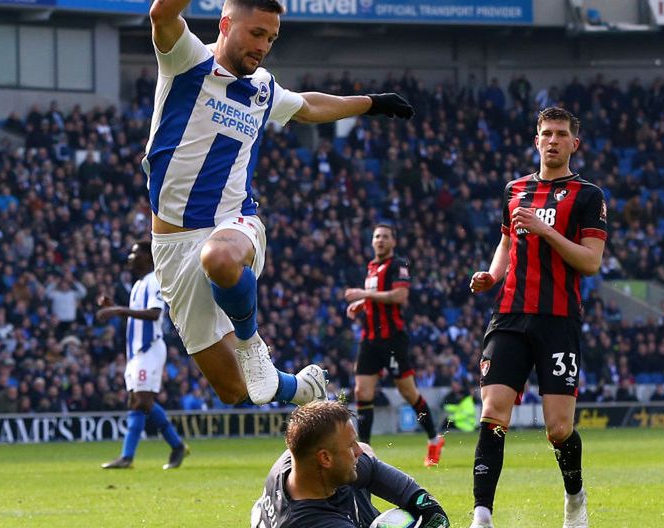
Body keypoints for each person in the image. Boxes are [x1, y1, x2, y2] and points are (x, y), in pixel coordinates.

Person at [145, 0, 414, 407]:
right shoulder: (186, 61)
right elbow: (162, 14)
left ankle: (253, 345)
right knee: (234, 390)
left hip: (233, 222)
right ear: (226, 25)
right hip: (171, 245)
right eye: (256, 33)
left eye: (271, 38)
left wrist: (371, 102)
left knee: (220, 258)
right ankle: (301, 387)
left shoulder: (264, 87)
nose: (264, 45)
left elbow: (308, 106)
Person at [468, 107, 607, 528]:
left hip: (558, 320)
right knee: (493, 413)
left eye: (561, 134)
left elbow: (591, 262)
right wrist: (492, 274)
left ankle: (575, 496)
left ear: (573, 144)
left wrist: (545, 230)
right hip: (509, 314)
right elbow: (508, 242)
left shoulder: (588, 196)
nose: (552, 140)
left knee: (559, 429)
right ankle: (482, 516)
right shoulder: (514, 190)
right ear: (536, 140)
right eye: (546, 133)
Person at [251, 400, 450, 528]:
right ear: (325, 458)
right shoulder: (313, 522)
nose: (358, 450)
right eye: (350, 445)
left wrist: (426, 505)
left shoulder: (296, 459)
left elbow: (369, 464)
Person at [344, 222, 444, 465]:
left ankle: (433, 439)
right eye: (377, 236)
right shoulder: (371, 267)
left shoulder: (398, 265)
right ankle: (364, 452)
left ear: (393, 242)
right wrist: (362, 305)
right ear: (372, 241)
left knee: (408, 392)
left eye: (385, 237)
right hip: (369, 339)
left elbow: (400, 296)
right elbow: (378, 297)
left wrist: (364, 295)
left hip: (392, 339)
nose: (380, 240)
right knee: (362, 392)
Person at [98, 241, 188, 470]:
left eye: (135, 253)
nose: (130, 257)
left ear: (149, 258)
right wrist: (115, 307)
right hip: (136, 352)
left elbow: (154, 313)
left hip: (149, 349)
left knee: (141, 401)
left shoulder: (154, 281)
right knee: (138, 403)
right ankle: (176, 446)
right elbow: (135, 319)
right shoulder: (138, 285)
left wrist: (118, 310)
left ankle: (128, 457)